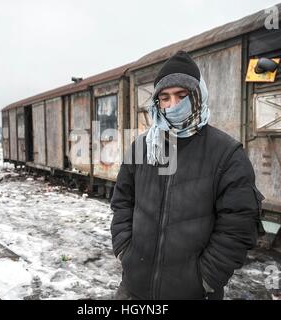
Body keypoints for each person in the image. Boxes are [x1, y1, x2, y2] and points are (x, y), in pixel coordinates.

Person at [110, 50, 264, 300]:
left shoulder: (226, 153)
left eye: (182, 96)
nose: (173, 105)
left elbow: (239, 224)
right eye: (165, 97)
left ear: (197, 96)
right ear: (157, 101)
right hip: (133, 290)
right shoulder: (142, 147)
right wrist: (124, 251)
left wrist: (204, 279)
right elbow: (122, 203)